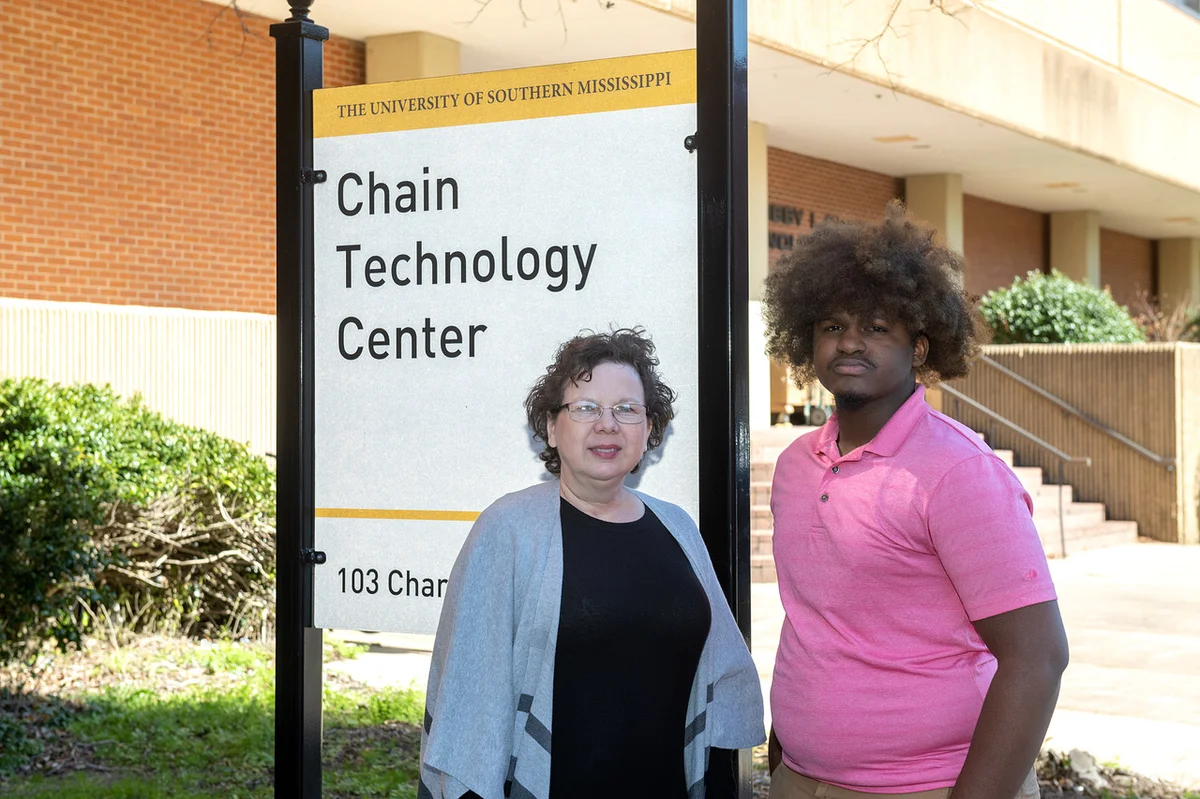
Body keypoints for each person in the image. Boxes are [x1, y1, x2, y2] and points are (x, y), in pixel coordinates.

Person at [761, 204, 1069, 799]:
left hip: (933, 786)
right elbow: (816, 626)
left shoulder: (959, 472)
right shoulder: (796, 466)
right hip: (800, 780)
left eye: (877, 327)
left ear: (921, 348)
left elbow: (1037, 660)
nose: (849, 342)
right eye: (831, 326)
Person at [419, 328, 765, 799]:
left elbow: (721, 682)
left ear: (649, 429)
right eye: (585, 408)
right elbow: (470, 701)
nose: (608, 425)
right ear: (550, 427)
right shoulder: (508, 530)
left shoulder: (677, 527)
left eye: (627, 409)